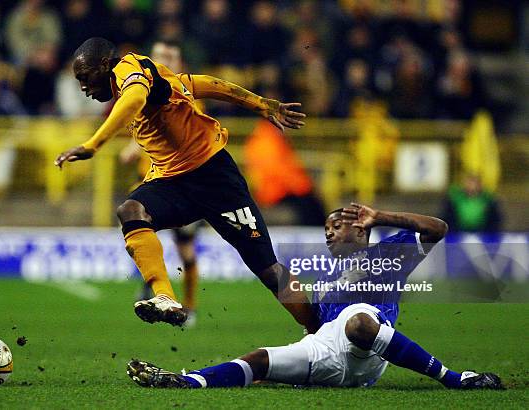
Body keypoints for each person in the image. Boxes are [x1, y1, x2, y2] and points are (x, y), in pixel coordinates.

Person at [54, 37, 318, 332]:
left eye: (84, 77)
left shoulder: (129, 71)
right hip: (172, 182)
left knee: (269, 271)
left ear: (104, 65)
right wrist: (259, 103)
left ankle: (319, 331)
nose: (83, 87)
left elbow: (135, 99)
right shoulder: (154, 77)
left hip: (214, 178)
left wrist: (92, 145)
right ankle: (165, 297)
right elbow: (205, 83)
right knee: (131, 210)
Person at [127, 203, 503, 390]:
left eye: (336, 226)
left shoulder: (389, 251)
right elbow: (315, 324)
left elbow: (438, 228)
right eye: (325, 229)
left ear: (361, 227)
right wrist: (279, 283)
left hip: (367, 350)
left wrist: (382, 215)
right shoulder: (327, 277)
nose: (328, 234)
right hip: (327, 352)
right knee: (258, 360)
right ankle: (185, 381)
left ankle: (455, 378)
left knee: (357, 319)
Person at [119, 40, 202, 327]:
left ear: (180, 64)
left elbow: (177, 134)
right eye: (158, 56)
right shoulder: (144, 91)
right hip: (151, 183)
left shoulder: (185, 95)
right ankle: (156, 289)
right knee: (140, 237)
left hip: (181, 186)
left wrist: (136, 146)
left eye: (169, 56)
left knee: (186, 251)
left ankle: (189, 307)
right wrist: (134, 144)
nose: (163, 60)